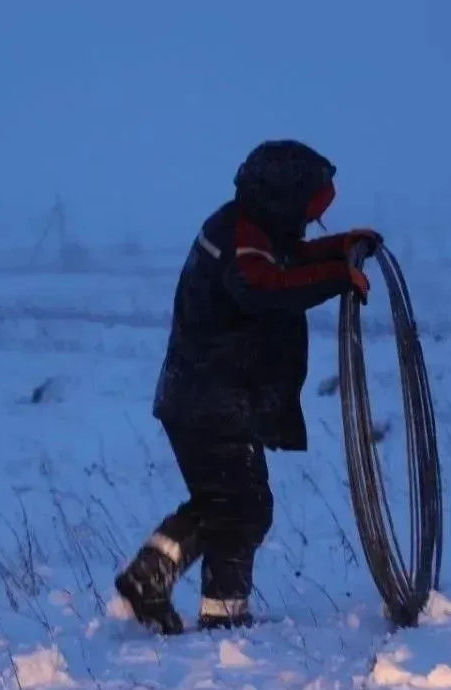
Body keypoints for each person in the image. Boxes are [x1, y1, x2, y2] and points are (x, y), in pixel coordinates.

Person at [113, 139, 384, 634]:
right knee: (240, 506)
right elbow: (263, 287)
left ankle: (157, 583)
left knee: (228, 503)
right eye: (308, 211)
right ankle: (206, 609)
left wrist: (339, 248)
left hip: (206, 397)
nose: (309, 222)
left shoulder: (250, 225)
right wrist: (335, 275)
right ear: (282, 197)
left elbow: (288, 259)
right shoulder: (241, 237)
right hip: (210, 400)